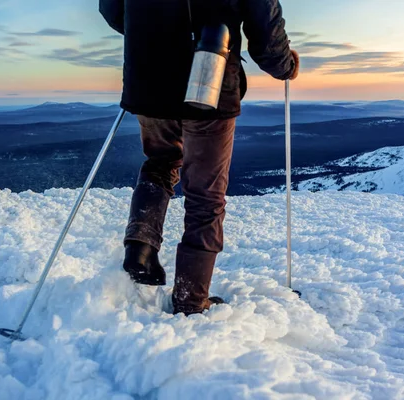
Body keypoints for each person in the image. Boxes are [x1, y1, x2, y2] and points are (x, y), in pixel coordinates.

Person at [99, 0, 300, 315]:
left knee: (160, 163)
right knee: (205, 195)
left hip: (148, 80)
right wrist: (286, 65)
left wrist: (156, 32)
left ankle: (140, 247)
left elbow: (111, 9)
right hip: (210, 83)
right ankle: (190, 301)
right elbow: (265, 29)